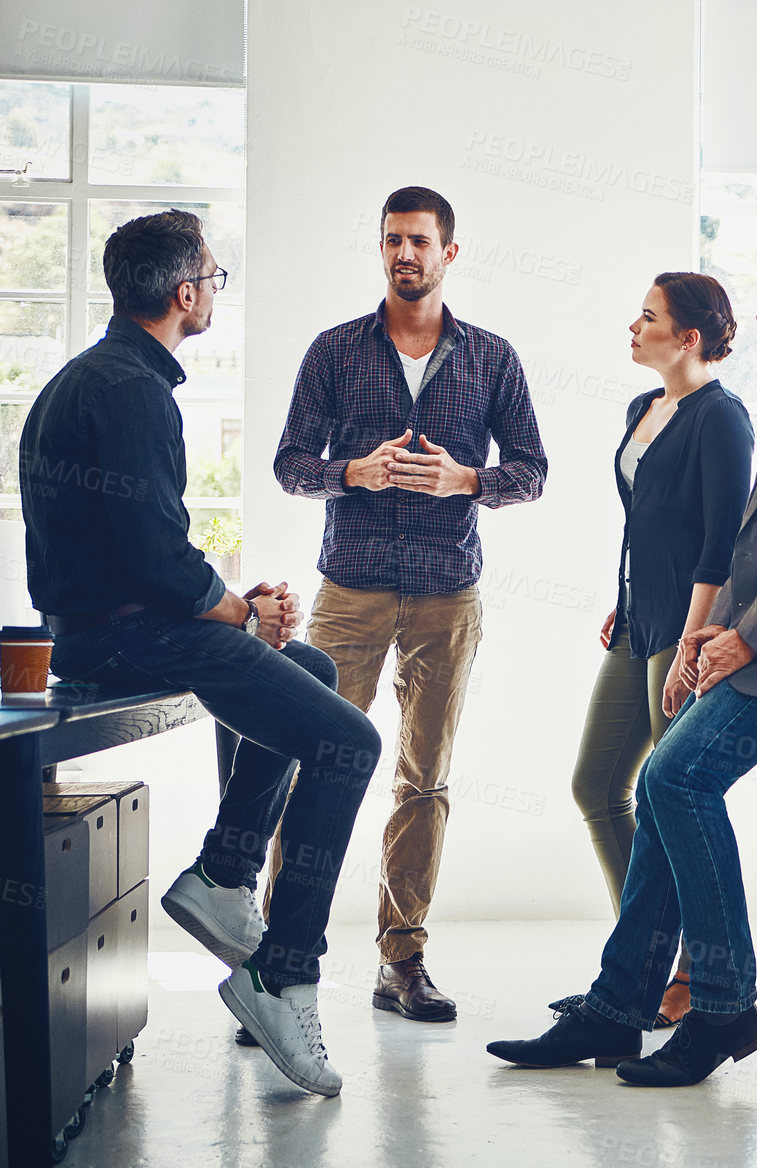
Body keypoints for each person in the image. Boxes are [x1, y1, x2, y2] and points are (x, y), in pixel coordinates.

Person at [488, 240, 757, 1087]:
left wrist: (747, 636)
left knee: (672, 781)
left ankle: (723, 1004)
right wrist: (709, 633)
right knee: (660, 790)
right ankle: (618, 1010)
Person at [19, 209, 381, 1097]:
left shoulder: (98, 376)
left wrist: (233, 609)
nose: (216, 289)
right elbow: (156, 559)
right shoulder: (132, 389)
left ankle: (225, 873)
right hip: (123, 636)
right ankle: (283, 971)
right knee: (352, 743)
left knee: (312, 673)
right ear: (184, 293)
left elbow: (142, 551)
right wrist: (239, 612)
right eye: (214, 278)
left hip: (110, 626)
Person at [273, 185, 548, 1023]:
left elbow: (532, 469)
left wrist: (472, 480)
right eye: (393, 239)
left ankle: (404, 961)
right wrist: (346, 472)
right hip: (348, 591)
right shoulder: (334, 351)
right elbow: (290, 463)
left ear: (449, 253)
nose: (406, 254)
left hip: (446, 593)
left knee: (422, 781)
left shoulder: (492, 357)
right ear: (382, 247)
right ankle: (282, 967)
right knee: (315, 765)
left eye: (421, 241)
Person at [571, 272, 753, 1028]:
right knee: (597, 787)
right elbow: (645, 520)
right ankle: (641, 960)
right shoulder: (641, 408)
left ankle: (675, 976)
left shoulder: (723, 419)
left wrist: (687, 643)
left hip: (683, 631)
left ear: (689, 338)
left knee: (668, 796)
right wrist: (627, 590)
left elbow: (722, 543)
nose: (633, 325)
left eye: (647, 317)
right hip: (637, 621)